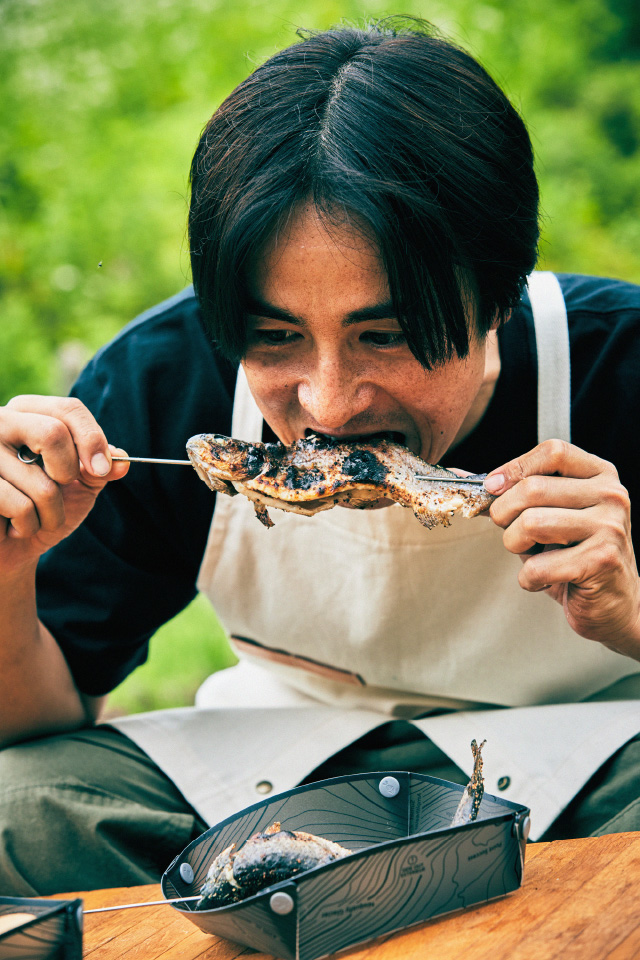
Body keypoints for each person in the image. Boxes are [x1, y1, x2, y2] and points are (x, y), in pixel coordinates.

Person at [0, 19, 639, 896]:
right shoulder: (164, 382)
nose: (329, 405)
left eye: (387, 336)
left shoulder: (623, 364)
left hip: (591, 760)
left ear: (499, 298)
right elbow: (34, 726)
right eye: (275, 339)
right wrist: (6, 566)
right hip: (266, 766)